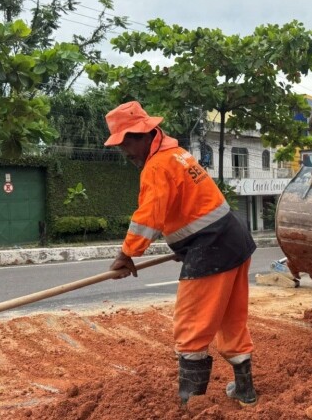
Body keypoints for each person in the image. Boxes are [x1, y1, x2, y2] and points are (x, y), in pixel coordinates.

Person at [104, 101, 258, 406]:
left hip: (212, 249)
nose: (125, 151)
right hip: (233, 240)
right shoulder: (178, 154)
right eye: (121, 144)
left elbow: (148, 216)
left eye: (127, 142)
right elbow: (191, 208)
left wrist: (126, 254)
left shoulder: (157, 166)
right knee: (231, 321)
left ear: (144, 134)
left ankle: (192, 404)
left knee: (191, 327)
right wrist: (183, 245)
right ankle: (245, 392)